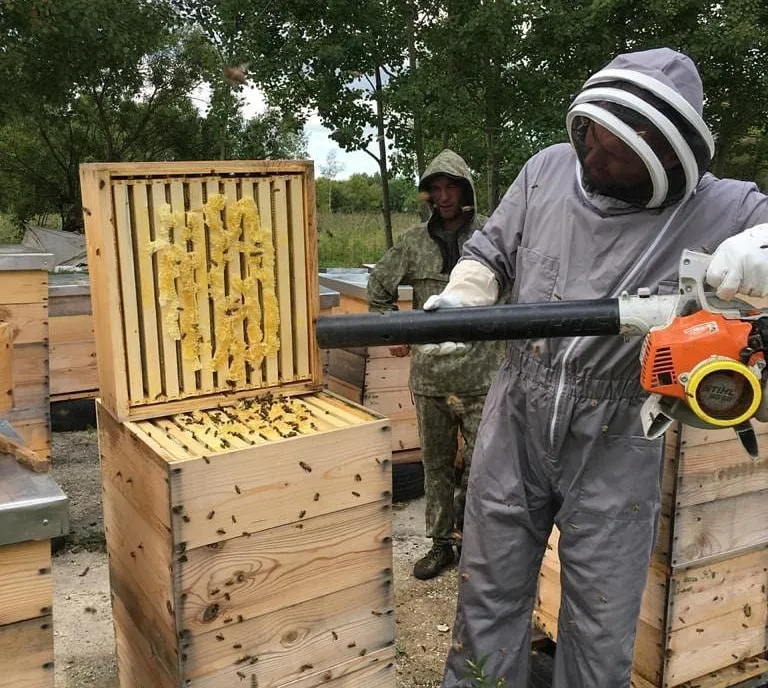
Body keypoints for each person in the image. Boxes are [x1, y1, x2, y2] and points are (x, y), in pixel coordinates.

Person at [421, 48, 768, 687]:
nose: (596, 160)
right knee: (488, 595)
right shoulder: (547, 169)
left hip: (619, 431)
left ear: (670, 158)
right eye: (593, 142)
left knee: (600, 622)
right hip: (517, 411)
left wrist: (761, 250)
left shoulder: (725, 206)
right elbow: (491, 251)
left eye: (617, 155)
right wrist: (464, 296)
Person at [367, 150, 506, 580]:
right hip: (430, 377)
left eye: (452, 188)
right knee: (436, 464)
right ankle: (441, 543)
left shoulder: (491, 237)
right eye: (437, 189)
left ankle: (475, 542)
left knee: (484, 465)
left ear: (466, 191)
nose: (444, 197)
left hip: (483, 375)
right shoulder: (413, 241)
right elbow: (378, 286)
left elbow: (519, 290)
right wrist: (392, 331)